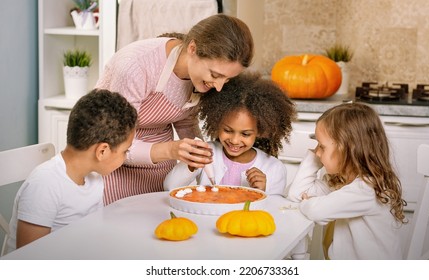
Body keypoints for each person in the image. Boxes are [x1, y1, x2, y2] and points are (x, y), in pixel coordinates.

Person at [95, 14, 255, 205]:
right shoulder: (135, 66)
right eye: (215, 75)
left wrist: (199, 152)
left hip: (160, 172)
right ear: (193, 48)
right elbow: (113, 145)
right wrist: (172, 149)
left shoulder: (200, 79)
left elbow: (186, 119)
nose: (219, 87)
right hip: (113, 170)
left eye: (226, 79)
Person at [5, 89, 137, 253]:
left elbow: (92, 234)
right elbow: (29, 260)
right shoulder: (45, 185)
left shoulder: (94, 177)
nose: (126, 156)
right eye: (126, 151)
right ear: (102, 151)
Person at [286, 102, 407, 260]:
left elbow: (316, 211)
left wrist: (308, 204)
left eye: (322, 146)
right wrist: (315, 158)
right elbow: (296, 194)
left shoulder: (366, 189)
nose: (317, 151)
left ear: (348, 150)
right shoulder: (342, 180)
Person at [164, 71, 297, 195]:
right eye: (227, 130)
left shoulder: (273, 168)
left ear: (261, 131)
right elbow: (169, 187)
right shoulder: (207, 153)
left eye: (245, 134)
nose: (234, 140)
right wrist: (191, 165)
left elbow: (275, 210)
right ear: (216, 122)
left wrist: (262, 191)